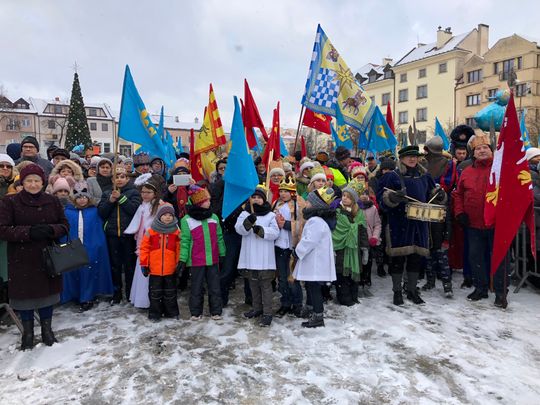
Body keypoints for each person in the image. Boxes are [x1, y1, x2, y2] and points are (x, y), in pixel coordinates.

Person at [0, 164, 69, 350]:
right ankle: (28, 333)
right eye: (29, 180)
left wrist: (51, 230)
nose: (33, 184)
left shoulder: (52, 201)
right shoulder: (10, 202)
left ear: (43, 182)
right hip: (21, 257)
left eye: (36, 180)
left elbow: (64, 225)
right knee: (25, 296)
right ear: (22, 182)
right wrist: (28, 232)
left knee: (47, 294)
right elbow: (3, 230)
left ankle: (47, 330)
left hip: (47, 256)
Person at [378, 145, 443, 306]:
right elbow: (382, 201)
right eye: (409, 156)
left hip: (419, 223)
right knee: (398, 259)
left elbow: (432, 194)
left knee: (415, 259)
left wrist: (440, 195)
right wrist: (392, 198)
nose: (413, 159)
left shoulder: (424, 176)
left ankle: (412, 290)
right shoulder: (392, 176)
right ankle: (397, 291)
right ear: (401, 159)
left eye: (415, 156)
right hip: (399, 222)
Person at [453, 131, 511, 307]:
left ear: (491, 150)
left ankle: (501, 293)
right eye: (478, 149)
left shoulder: (502, 169)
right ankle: (480, 288)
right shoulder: (466, 172)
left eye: (485, 147)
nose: (482, 150)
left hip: (497, 223)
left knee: (500, 259)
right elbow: (458, 194)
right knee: (475, 257)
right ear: (473, 153)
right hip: (473, 224)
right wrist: (459, 213)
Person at [60, 181, 114, 311]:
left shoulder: (94, 211)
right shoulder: (68, 212)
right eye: (79, 198)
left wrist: (98, 244)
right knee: (73, 271)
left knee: (89, 271)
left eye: (84, 197)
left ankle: (87, 297)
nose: (82, 200)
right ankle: (75, 294)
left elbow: (97, 230)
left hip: (92, 246)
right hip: (73, 247)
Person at [235, 184, 280, 327]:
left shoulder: (270, 215)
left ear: (264, 199)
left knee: (265, 286)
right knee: (253, 284)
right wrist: (247, 223)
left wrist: (262, 231)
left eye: (259, 197)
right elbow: (239, 229)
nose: (256, 200)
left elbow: (275, 232)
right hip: (250, 256)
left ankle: (267, 312)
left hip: (264, 257)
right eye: (253, 197)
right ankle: (257, 308)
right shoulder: (245, 214)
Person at [292, 187, 337, 328]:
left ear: (315, 205)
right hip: (314, 260)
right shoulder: (318, 220)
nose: (306, 203)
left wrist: (297, 251)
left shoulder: (316, 221)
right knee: (311, 286)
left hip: (315, 261)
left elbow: (309, 241)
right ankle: (311, 308)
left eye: (308, 202)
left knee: (314, 288)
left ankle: (318, 315)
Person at [180, 185, 225, 320]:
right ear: (199, 203)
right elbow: (185, 241)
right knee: (196, 287)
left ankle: (216, 311)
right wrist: (182, 259)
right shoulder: (187, 220)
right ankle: (195, 312)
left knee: (214, 287)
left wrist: (222, 253)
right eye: (206, 200)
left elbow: (219, 237)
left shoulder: (214, 218)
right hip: (196, 260)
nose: (209, 202)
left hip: (212, 259)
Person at [98, 167, 142, 303]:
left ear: (127, 179)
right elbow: (102, 213)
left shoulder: (134, 193)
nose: (119, 179)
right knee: (115, 266)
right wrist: (110, 201)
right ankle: (116, 293)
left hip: (128, 235)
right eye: (116, 177)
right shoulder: (106, 193)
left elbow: (134, 210)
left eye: (122, 176)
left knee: (129, 266)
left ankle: (130, 293)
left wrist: (121, 198)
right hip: (112, 235)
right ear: (112, 180)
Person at [422, 137, 454, 297]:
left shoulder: (447, 163)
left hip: (440, 203)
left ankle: (447, 284)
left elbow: (448, 182)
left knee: (441, 255)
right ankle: (430, 280)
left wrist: (438, 191)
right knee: (428, 252)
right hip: (424, 204)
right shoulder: (422, 162)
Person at [124, 175, 162, 308]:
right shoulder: (142, 206)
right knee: (142, 270)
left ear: (155, 193)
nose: (145, 195)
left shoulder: (159, 206)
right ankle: (142, 299)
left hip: (154, 242)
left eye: (148, 192)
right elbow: (137, 223)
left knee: (152, 270)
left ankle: (153, 299)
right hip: (142, 243)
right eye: (143, 192)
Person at [140, 204, 181, 320]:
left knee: (170, 293)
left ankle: (171, 313)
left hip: (170, 269)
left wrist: (178, 263)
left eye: (170, 215)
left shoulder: (176, 232)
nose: (168, 217)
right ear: (159, 216)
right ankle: (155, 314)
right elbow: (144, 248)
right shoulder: (151, 231)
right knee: (155, 293)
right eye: (165, 215)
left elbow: (179, 249)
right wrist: (144, 264)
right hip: (155, 270)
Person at [332, 180, 369, 306]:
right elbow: (334, 231)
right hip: (340, 247)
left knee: (353, 274)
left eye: (348, 197)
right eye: (343, 195)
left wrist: (365, 248)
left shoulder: (359, 213)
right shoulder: (337, 212)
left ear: (354, 200)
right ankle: (344, 298)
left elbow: (362, 232)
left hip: (354, 248)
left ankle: (354, 296)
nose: (344, 198)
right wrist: (332, 247)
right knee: (342, 274)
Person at [273, 177, 304, 317]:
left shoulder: (299, 204)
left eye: (286, 191)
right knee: (282, 278)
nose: (283, 194)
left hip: (293, 246)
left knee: (293, 277)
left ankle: (297, 304)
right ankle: (285, 303)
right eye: (281, 191)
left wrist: (285, 224)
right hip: (279, 245)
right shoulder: (276, 204)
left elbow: (302, 224)